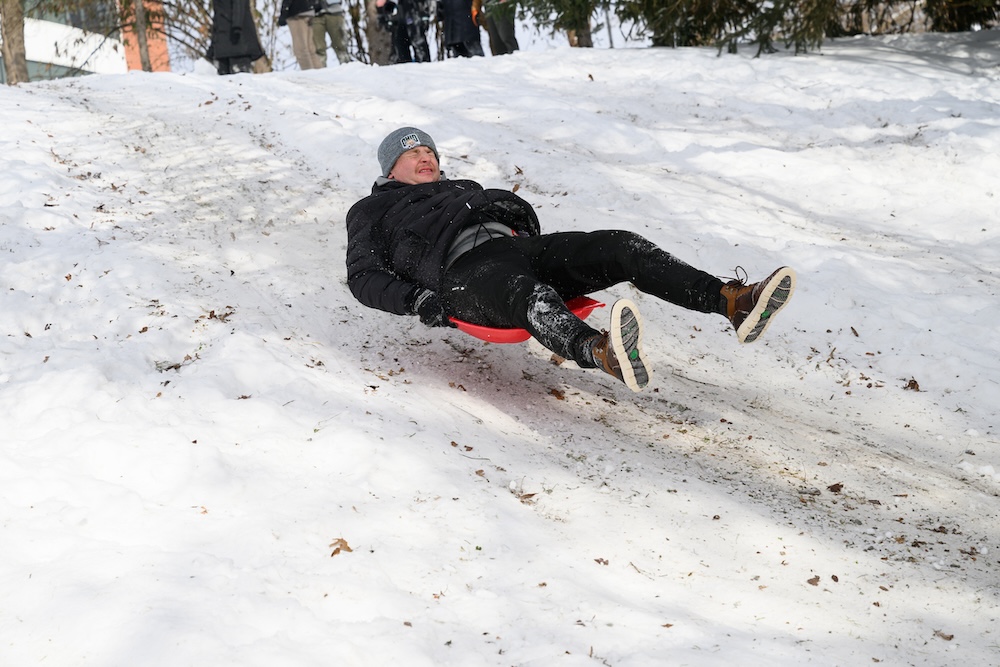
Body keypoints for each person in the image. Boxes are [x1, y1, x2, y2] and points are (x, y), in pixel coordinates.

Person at [346, 127, 797, 392]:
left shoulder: (460, 187)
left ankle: (731, 302)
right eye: (411, 153)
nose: (424, 157)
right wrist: (417, 300)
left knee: (620, 245)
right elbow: (364, 277)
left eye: (428, 151)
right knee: (531, 295)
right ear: (390, 170)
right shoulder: (372, 211)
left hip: (514, 248)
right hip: (461, 274)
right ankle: (600, 351)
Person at [207, 0, 265, 75]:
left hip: (239, 44)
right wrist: (213, 46)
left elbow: (239, 6)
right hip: (224, 47)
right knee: (224, 82)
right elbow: (218, 19)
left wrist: (237, 27)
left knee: (240, 80)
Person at [279, 0, 322, 70]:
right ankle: (320, 74)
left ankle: (310, 76)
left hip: (297, 13)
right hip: (309, 10)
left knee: (301, 50)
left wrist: (284, 12)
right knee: (310, 50)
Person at [312, 0, 350, 66]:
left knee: (340, 46)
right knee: (318, 48)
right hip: (315, 14)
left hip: (335, 12)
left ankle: (348, 70)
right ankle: (320, 72)